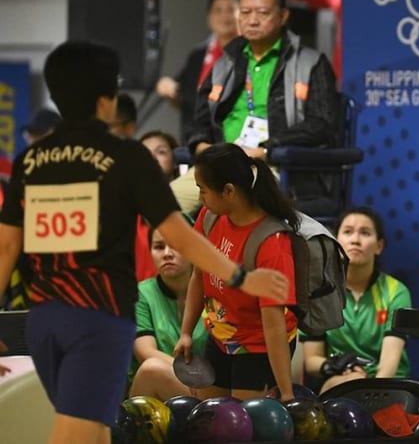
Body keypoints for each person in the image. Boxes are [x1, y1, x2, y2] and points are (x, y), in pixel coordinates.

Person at [0, 40, 289, 444]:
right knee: (75, 431)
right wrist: (241, 276)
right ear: (106, 101)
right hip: (97, 318)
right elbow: (178, 234)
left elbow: (6, 248)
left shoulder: (30, 161)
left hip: (46, 321)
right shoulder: (126, 157)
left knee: (93, 428)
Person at [173, 0, 340, 215]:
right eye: (245, 12)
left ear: (283, 16)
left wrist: (267, 150)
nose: (252, 20)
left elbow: (321, 124)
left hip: (274, 167)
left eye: (262, 13)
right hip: (219, 165)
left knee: (238, 197)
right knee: (161, 206)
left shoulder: (310, 64)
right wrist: (201, 146)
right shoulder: (224, 64)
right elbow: (199, 121)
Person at [175, 143, 298, 401]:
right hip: (219, 338)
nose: (200, 198)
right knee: (211, 416)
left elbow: (274, 325)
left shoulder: (272, 244)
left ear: (229, 191)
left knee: (242, 421)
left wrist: (286, 392)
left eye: (203, 190)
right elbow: (199, 275)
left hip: (259, 348)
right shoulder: (210, 217)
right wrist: (186, 333)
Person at [302, 207, 411, 394]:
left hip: (388, 386)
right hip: (341, 377)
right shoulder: (319, 291)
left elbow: (388, 369)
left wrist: (368, 391)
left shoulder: (396, 292)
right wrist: (334, 365)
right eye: (348, 232)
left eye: (365, 233)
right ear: (336, 241)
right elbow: (311, 360)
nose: (355, 240)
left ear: (379, 246)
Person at [129, 225, 209, 401]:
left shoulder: (213, 290)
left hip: (211, 386)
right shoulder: (141, 294)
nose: (167, 254)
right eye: (159, 247)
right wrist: (191, 374)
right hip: (172, 382)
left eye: (175, 246)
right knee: (151, 369)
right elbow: (145, 352)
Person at [155, 0, 238, 140]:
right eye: (218, 10)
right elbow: (183, 97)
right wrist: (168, 88)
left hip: (231, 136)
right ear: (209, 18)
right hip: (195, 136)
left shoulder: (249, 53)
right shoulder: (198, 55)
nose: (225, 16)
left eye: (231, 10)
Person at [135, 131, 181, 287]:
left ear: (175, 161)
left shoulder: (194, 201)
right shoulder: (125, 206)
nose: (153, 158)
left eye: (161, 152)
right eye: (145, 154)